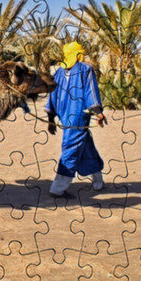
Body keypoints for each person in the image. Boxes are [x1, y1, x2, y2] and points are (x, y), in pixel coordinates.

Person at [45, 41, 108, 196]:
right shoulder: (85, 69)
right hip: (78, 116)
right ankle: (57, 188)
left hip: (64, 116)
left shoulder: (58, 72)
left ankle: (98, 181)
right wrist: (98, 113)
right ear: (79, 55)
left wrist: (51, 119)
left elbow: (51, 97)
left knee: (86, 146)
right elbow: (91, 92)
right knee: (71, 148)